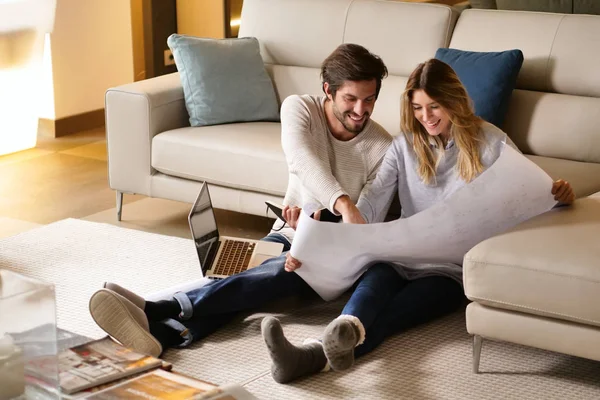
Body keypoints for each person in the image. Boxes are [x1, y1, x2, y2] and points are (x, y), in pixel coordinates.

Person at [262, 58, 576, 383]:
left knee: (394, 315)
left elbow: (529, 194)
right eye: (417, 108)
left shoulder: (491, 142)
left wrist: (560, 194)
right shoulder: (402, 147)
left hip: (447, 272)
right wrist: (318, 234)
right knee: (370, 291)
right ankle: (333, 336)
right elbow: (367, 210)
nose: (426, 117)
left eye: (434, 106)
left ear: (453, 101)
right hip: (399, 256)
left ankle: (310, 356)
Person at [87, 43, 393, 363]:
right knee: (249, 279)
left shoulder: (383, 148)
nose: (361, 110)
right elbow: (304, 161)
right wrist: (343, 204)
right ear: (328, 90)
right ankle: (166, 333)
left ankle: (157, 308)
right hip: (287, 233)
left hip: (334, 257)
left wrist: (326, 226)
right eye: (351, 99)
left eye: (369, 99)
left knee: (277, 273)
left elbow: (365, 222)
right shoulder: (299, 108)